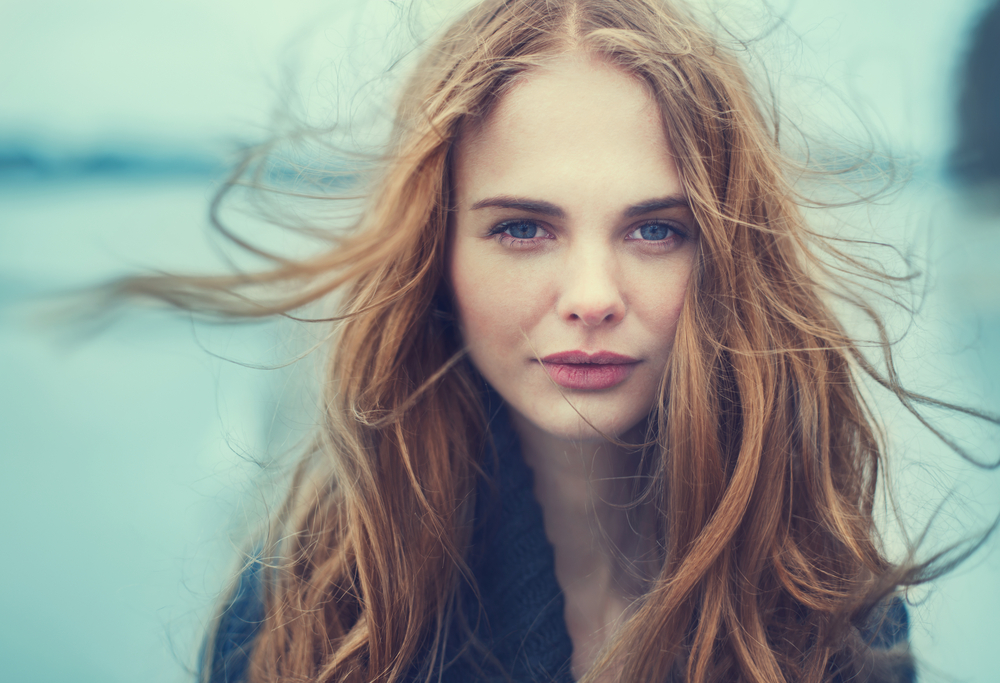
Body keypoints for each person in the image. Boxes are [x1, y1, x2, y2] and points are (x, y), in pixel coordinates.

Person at [116, 0, 986, 681]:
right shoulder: (315, 614)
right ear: (436, 256)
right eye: (524, 229)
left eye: (655, 231)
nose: (594, 297)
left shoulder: (824, 608)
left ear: (726, 260)